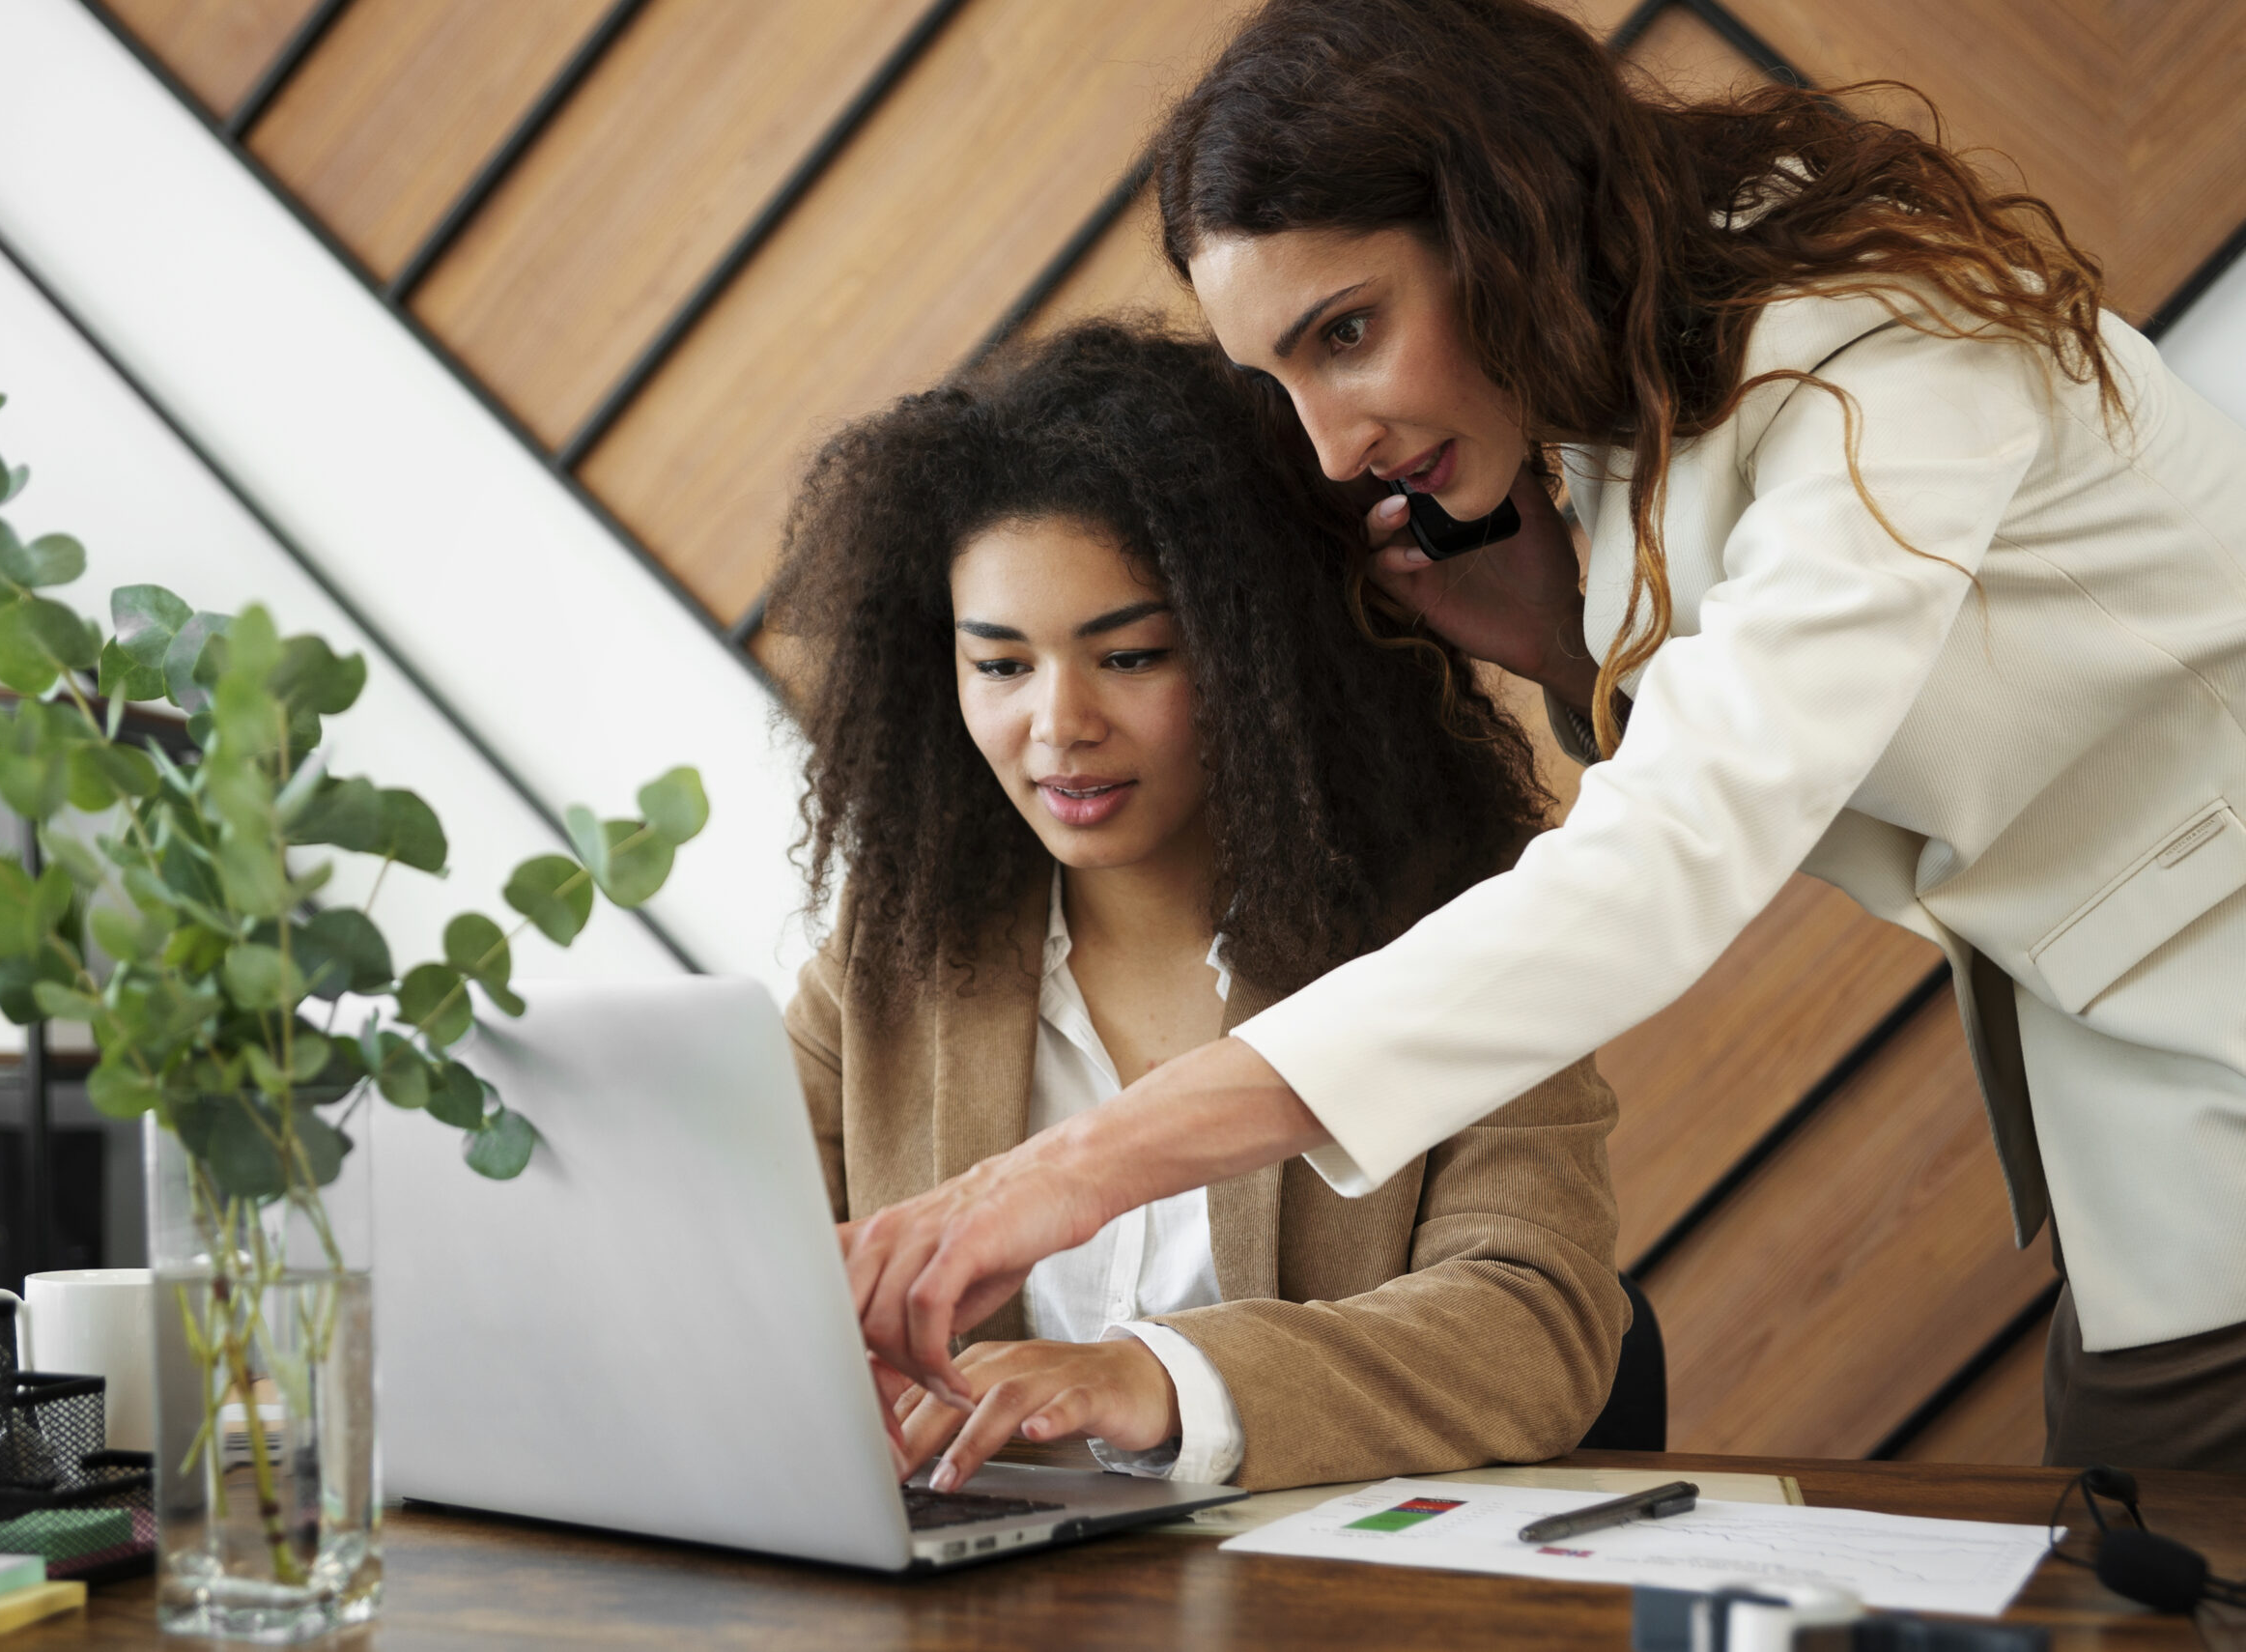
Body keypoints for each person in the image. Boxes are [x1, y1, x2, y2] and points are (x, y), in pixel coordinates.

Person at [839, 0, 2246, 1472]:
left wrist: (1076, 1170)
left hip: (2203, 1022)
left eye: (1349, 333)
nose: (1329, 444)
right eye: (1282, 377)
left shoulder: (1882, 353)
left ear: (1497, 220)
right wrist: (1565, 650)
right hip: (2142, 1067)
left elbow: (1671, 857)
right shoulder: (1623, 366)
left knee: (2154, 1517)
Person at [765, 322, 1628, 1493]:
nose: (1058, 726)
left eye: (1131, 658)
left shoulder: (1455, 933)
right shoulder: (895, 954)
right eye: (1001, 665)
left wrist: (1154, 1378)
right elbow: (740, 1273)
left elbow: (1537, 1327)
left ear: (1257, 659)